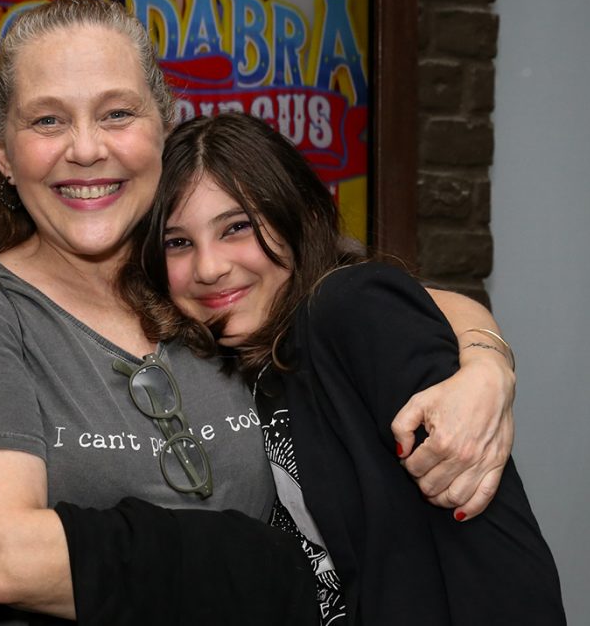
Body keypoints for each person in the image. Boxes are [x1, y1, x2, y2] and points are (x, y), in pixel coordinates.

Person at [0, 0, 518, 624]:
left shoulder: (200, 277)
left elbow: (372, 296)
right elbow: (4, 560)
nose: (85, 149)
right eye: (47, 120)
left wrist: (487, 368)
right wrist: (272, 579)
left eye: (116, 113)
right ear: (2, 154)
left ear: (163, 125)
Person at [122, 111, 565, 624]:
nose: (209, 267)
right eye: (179, 242)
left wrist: (489, 366)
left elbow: (496, 555)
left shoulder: (348, 307)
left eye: (236, 227)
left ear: (295, 217)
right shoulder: (233, 360)